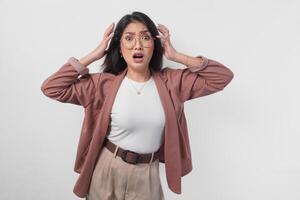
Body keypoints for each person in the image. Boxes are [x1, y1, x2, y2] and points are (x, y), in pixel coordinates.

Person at [40, 11, 234, 200]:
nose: (138, 45)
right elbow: (52, 88)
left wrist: (176, 56)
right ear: (120, 48)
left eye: (145, 37)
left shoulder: (173, 83)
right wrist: (95, 54)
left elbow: (222, 77)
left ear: (155, 45)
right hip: (107, 170)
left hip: (147, 176)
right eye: (129, 38)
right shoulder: (103, 85)